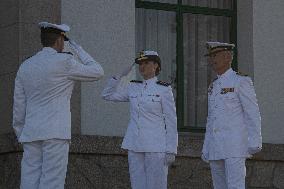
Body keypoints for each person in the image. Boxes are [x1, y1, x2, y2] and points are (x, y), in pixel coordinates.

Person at [12, 21, 104, 189]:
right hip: (55, 132)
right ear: (60, 41)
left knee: (28, 181)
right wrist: (77, 48)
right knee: (52, 182)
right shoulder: (65, 62)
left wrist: (21, 133)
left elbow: (19, 106)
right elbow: (97, 71)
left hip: (31, 133)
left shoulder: (25, 66)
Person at [101, 50, 178, 189]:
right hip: (135, 144)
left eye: (146, 63)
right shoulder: (133, 87)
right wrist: (120, 75)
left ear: (155, 65)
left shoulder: (164, 89)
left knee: (156, 186)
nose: (142, 66)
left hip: (155, 146)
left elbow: (171, 121)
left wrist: (171, 149)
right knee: (137, 185)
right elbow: (107, 95)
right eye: (140, 63)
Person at [202, 42, 262, 189]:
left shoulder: (241, 81)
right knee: (219, 186)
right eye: (211, 56)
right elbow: (211, 119)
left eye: (215, 55)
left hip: (235, 145)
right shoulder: (213, 86)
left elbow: (252, 113)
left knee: (235, 186)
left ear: (228, 57)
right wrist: (207, 145)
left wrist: (255, 140)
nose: (212, 59)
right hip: (216, 145)